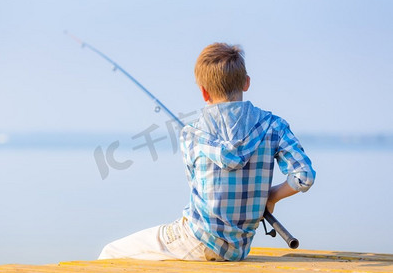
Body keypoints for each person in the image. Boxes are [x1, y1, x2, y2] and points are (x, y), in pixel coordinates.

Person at [98, 43, 316, 261]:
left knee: (110, 252)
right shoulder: (274, 126)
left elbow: (197, 191)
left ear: (203, 91)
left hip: (196, 240)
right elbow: (304, 176)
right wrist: (271, 196)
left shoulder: (191, 134)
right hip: (239, 248)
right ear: (246, 82)